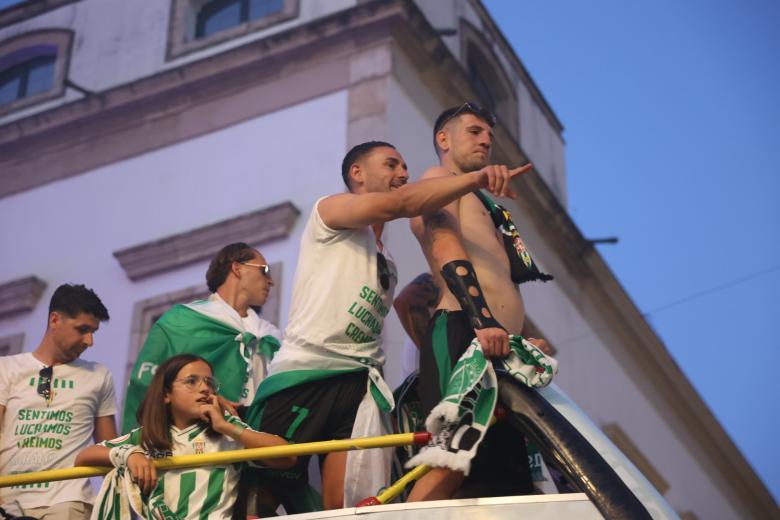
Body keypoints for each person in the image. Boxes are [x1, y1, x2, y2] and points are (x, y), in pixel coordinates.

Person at [245, 140, 529, 510]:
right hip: (305, 371)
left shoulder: (388, 260)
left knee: (346, 508)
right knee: (260, 494)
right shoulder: (329, 213)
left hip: (361, 386)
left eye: (405, 167)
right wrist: (474, 178)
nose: (403, 173)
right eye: (392, 164)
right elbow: (404, 203)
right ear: (357, 174)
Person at [407, 102, 553, 501]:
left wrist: (523, 337)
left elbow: (503, 281)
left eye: (489, 135)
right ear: (444, 139)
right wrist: (483, 319)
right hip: (464, 329)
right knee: (452, 459)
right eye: (474, 132)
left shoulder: (488, 204)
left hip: (501, 342)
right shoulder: (437, 179)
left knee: (503, 477)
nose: (487, 140)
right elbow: (444, 247)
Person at [76, 354, 294, 519]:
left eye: (209, 382)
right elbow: (83, 458)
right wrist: (129, 454)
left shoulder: (228, 431)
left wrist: (225, 426)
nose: (204, 389)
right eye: (192, 381)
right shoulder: (146, 437)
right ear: (166, 394)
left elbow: (287, 457)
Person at [122, 243, 281, 433]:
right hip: (193, 443)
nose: (271, 281)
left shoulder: (270, 336)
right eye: (265, 270)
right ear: (237, 268)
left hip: (255, 444)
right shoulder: (180, 322)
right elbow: (146, 386)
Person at [0, 284, 117, 519]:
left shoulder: (99, 375)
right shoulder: (7, 368)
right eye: (82, 329)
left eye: (93, 331)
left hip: (69, 501)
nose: (89, 341)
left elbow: (110, 447)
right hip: (8, 499)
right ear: (55, 320)